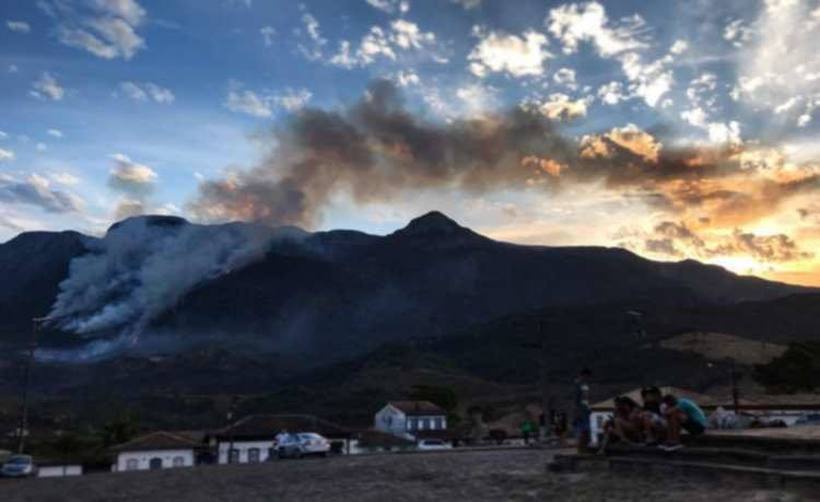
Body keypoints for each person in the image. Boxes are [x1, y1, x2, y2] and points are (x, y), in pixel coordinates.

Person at [573, 368, 592, 453]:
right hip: (581, 411)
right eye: (587, 376)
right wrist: (577, 412)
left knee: (586, 431)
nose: (588, 378)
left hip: (585, 410)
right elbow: (576, 400)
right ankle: (580, 450)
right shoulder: (578, 385)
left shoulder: (585, 385)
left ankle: (584, 449)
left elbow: (586, 399)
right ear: (583, 375)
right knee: (582, 431)